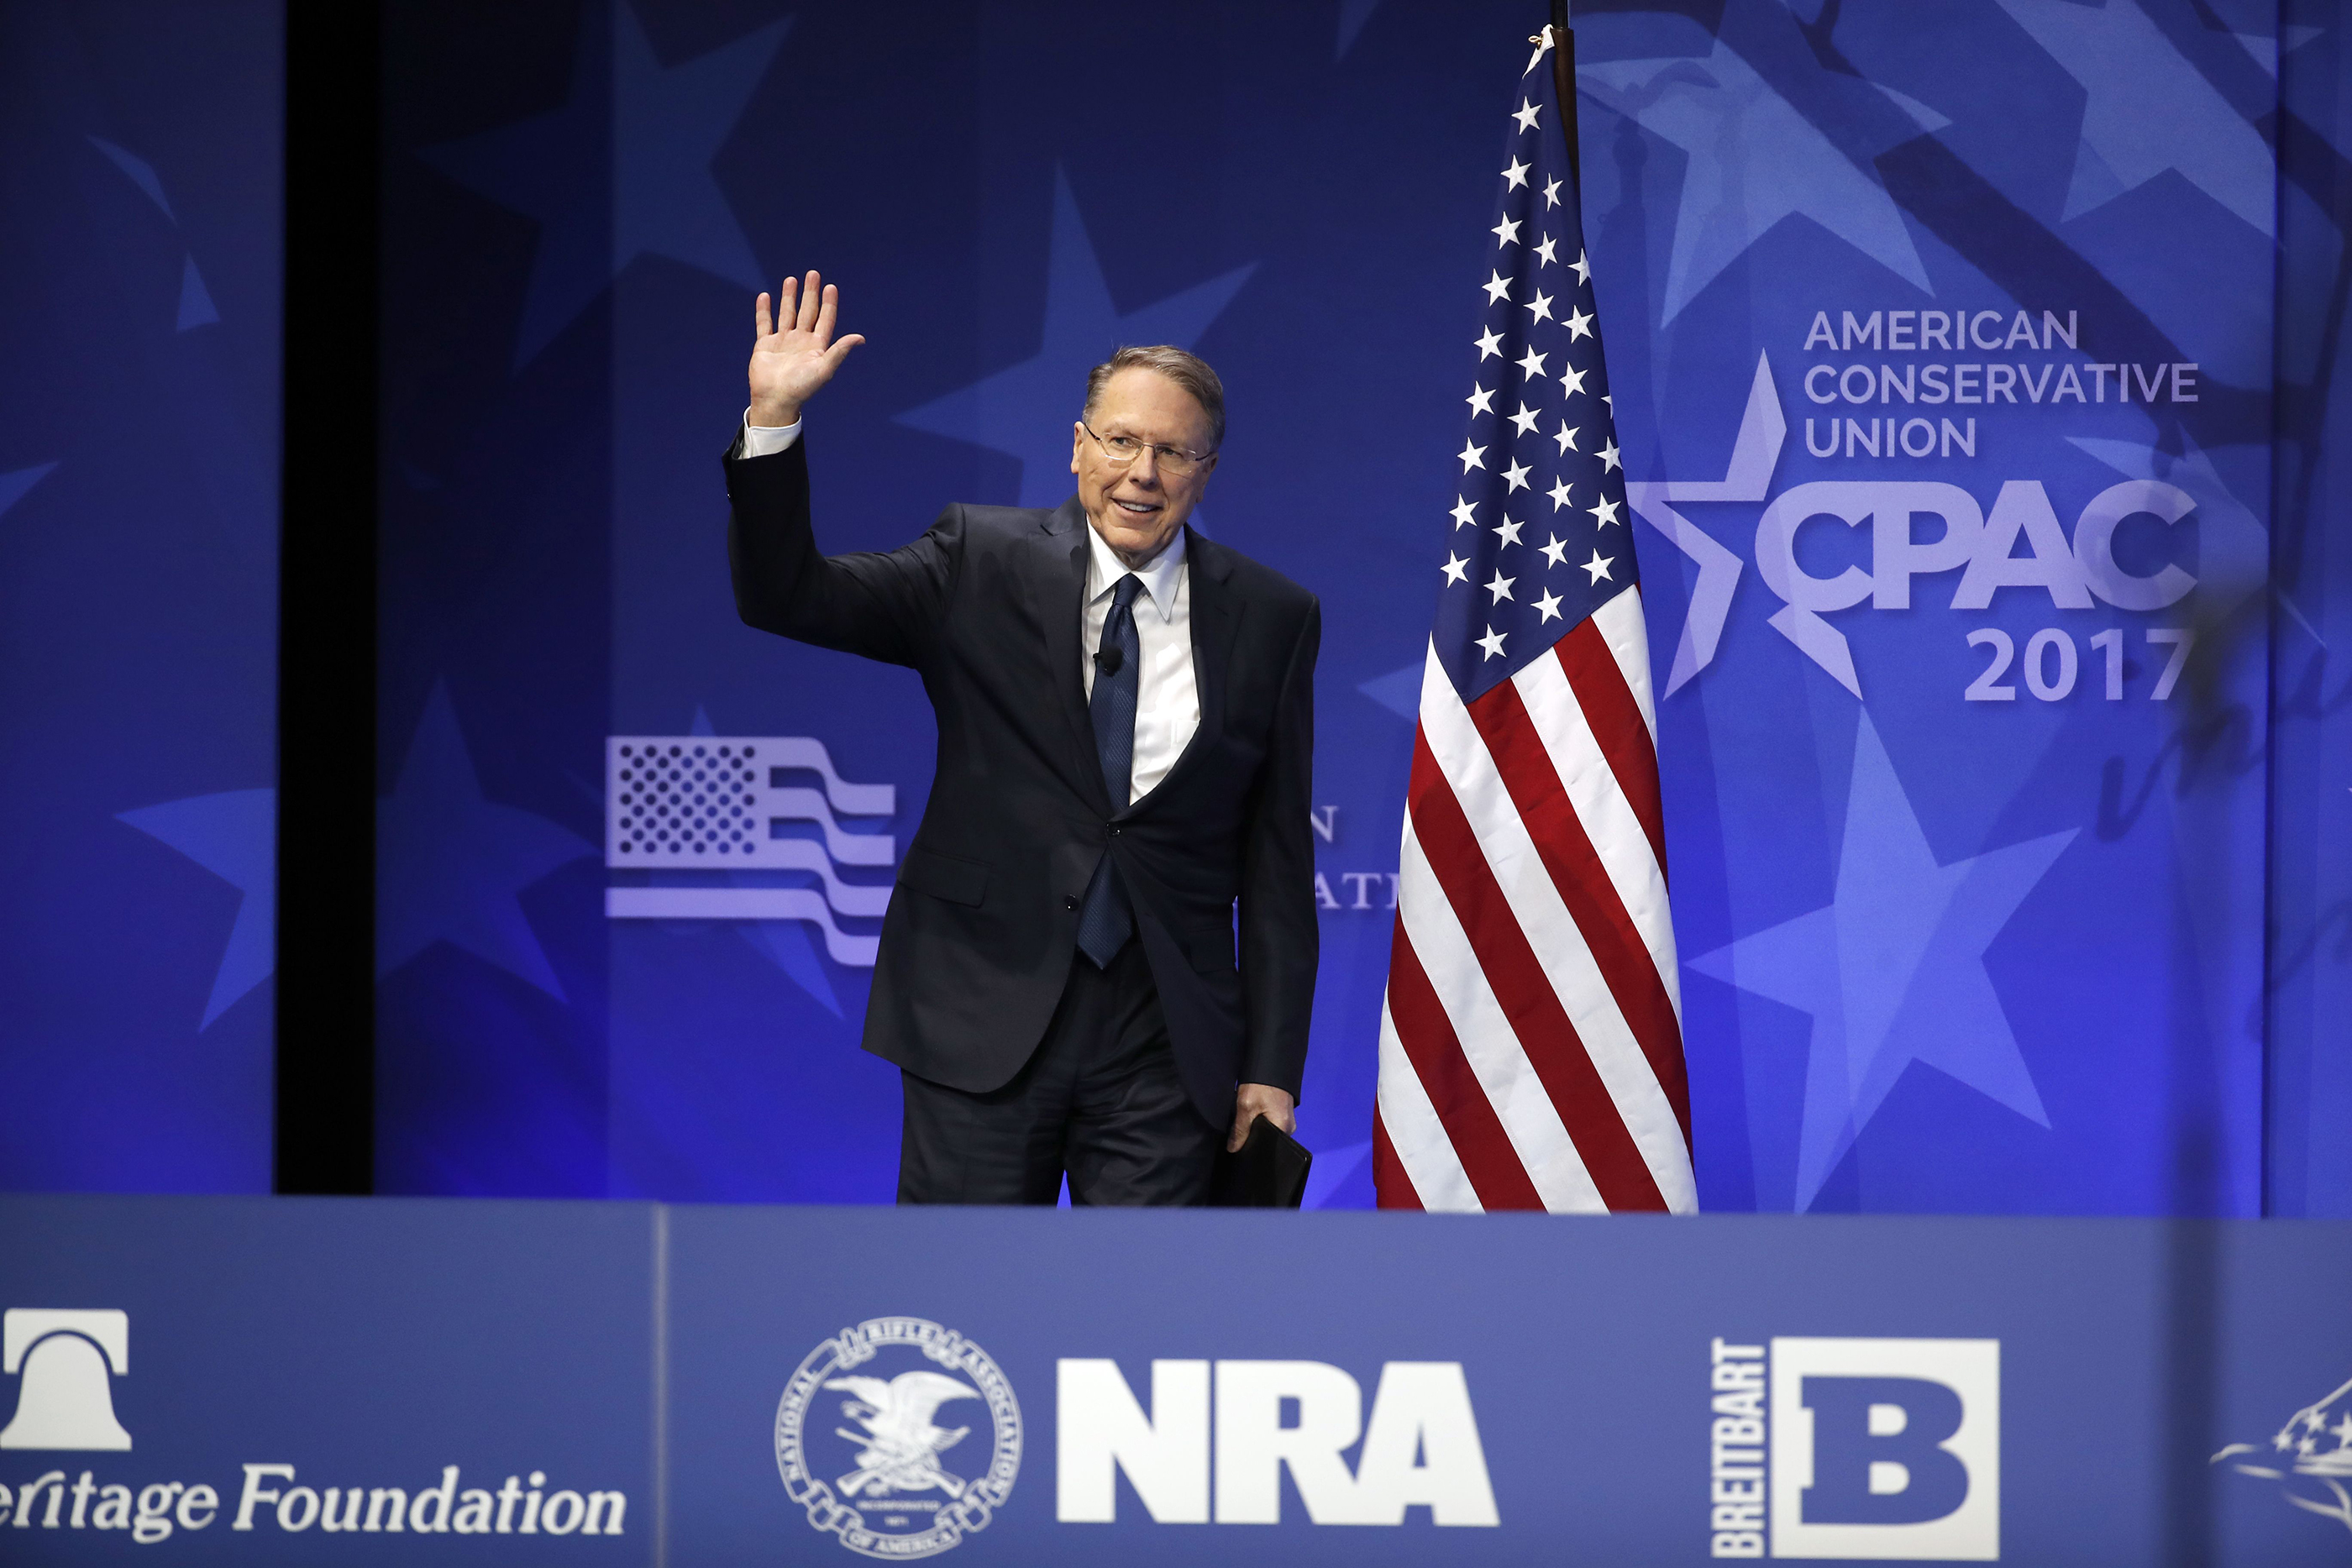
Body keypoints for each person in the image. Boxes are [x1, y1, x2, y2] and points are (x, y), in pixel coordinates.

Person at [724, 271, 1320, 1206]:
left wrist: (1272, 1068)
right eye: (1120, 440)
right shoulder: (978, 558)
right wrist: (773, 419)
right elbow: (787, 596)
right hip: (979, 1013)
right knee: (965, 1288)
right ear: (1078, 448)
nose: (1142, 472)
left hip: (1167, 1044)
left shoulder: (1274, 616)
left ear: (1206, 471)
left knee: (1147, 1294)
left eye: (1173, 451)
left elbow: (1278, 868)